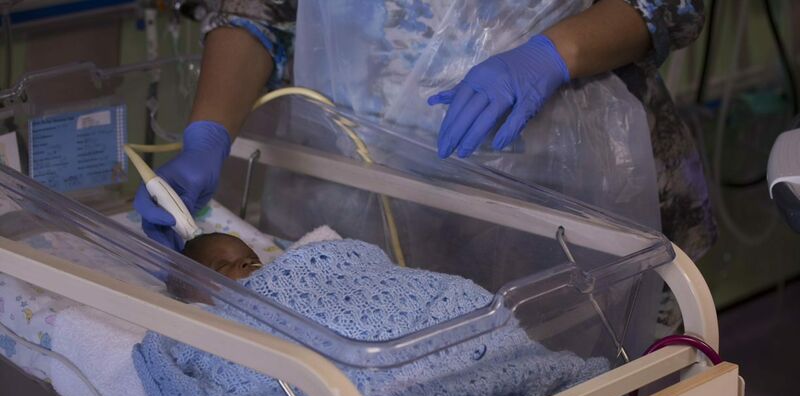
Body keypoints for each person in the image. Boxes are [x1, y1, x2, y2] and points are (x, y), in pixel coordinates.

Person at [135, 0, 714, 271]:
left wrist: (552, 54)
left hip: (565, 202)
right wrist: (208, 134)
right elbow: (256, 11)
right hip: (357, 198)